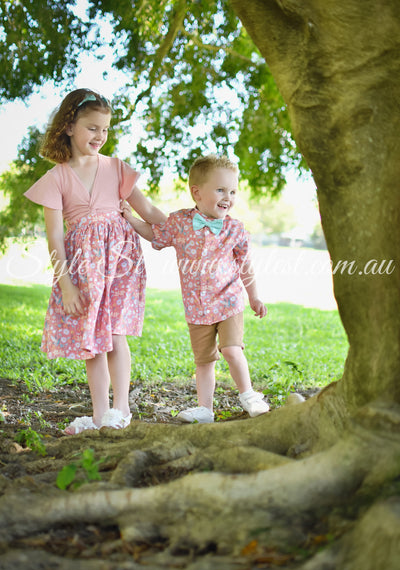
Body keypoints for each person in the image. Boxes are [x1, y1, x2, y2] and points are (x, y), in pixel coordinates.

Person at [24, 88, 166, 434]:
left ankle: (122, 409)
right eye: (92, 128)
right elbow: (55, 237)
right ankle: (102, 415)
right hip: (83, 267)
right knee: (94, 339)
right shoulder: (56, 178)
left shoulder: (117, 168)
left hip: (120, 263)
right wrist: (66, 284)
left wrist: (184, 226)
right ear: (69, 126)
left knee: (116, 334)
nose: (100, 136)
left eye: (105, 129)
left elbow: (148, 212)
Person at [123, 154, 269, 423]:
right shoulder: (179, 223)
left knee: (231, 350)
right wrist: (131, 220)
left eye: (233, 191)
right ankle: (205, 410)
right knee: (203, 362)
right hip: (197, 308)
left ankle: (248, 394)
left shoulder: (234, 229)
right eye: (221, 190)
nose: (228, 197)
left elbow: (245, 266)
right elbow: (156, 234)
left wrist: (254, 297)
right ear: (197, 192)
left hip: (229, 302)